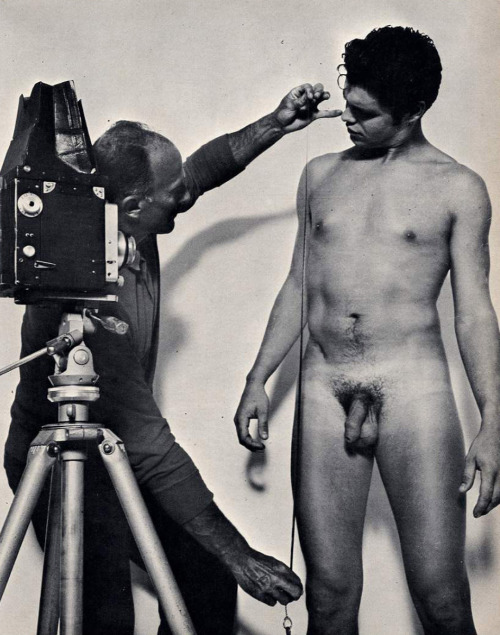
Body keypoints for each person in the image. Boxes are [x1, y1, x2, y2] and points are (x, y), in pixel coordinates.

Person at [4, 84, 342, 635]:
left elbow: (199, 172)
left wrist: (275, 123)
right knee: (106, 613)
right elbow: (149, 444)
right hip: (63, 457)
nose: (184, 198)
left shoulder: (125, 219)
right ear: (134, 207)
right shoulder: (90, 291)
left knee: (204, 577)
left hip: (119, 447)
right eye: (172, 195)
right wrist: (241, 555)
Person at [234, 26, 500, 635]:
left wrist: (494, 420)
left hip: (412, 388)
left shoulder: (459, 188)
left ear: (414, 110)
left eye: (366, 113)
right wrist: (257, 377)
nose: (347, 120)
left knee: (441, 596)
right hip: (322, 385)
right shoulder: (320, 175)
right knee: (328, 599)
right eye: (347, 104)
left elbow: (474, 311)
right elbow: (299, 284)